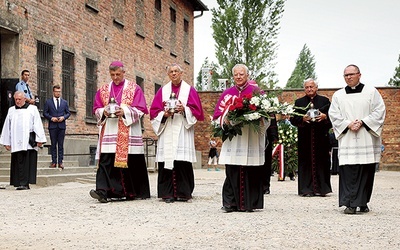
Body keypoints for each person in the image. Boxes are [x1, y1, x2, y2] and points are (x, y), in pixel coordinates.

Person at [89, 61, 150, 203]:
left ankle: (128, 192)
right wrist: (103, 111)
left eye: (117, 74)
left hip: (127, 133)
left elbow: (141, 109)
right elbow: (96, 108)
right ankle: (102, 192)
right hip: (109, 131)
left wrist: (125, 111)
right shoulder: (103, 90)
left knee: (127, 164)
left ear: (123, 72)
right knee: (106, 162)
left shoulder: (134, 88)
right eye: (112, 75)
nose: (115, 77)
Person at [329, 64, 386, 214]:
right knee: (348, 171)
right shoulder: (338, 95)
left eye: (351, 74)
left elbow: (379, 111)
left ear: (359, 75)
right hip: (348, 138)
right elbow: (334, 115)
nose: (349, 77)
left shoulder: (371, 92)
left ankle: (363, 201)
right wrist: (348, 124)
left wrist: (363, 122)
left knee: (366, 170)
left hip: (366, 137)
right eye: (346, 75)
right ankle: (350, 203)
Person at [212, 64, 269, 212]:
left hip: (251, 136)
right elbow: (218, 114)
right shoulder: (228, 93)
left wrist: (258, 118)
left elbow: (267, 115)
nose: (238, 77)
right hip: (235, 139)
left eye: (241, 74)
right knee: (232, 169)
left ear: (247, 75)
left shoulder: (257, 92)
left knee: (251, 170)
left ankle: (251, 203)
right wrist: (225, 119)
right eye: (236, 74)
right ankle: (230, 203)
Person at [150, 63, 204, 203]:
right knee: (167, 160)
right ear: (168, 74)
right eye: (171, 72)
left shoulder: (189, 90)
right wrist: (165, 114)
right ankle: (167, 194)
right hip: (168, 127)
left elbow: (196, 111)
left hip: (182, 131)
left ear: (181, 73)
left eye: (176, 71)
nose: (173, 74)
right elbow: (154, 111)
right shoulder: (163, 90)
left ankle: (183, 193)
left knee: (181, 161)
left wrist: (184, 109)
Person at [290, 78, 332, 197]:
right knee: (305, 163)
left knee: (322, 162)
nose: (309, 89)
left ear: (316, 88)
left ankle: (321, 189)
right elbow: (293, 119)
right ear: (304, 89)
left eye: (311, 87)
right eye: (307, 87)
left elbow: (334, 118)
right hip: (305, 138)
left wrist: (325, 117)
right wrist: (302, 119)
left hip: (321, 138)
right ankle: (306, 189)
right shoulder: (299, 102)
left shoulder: (325, 101)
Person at [0, 91, 46, 190]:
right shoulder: (11, 110)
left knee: (27, 162)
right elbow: (7, 126)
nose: (17, 101)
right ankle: (18, 182)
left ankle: (25, 183)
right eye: (16, 99)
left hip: (28, 141)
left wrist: (40, 139)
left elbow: (37, 124)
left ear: (25, 99)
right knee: (18, 162)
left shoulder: (32, 109)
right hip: (16, 141)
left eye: (19, 99)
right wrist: (6, 142)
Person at [43, 84, 71, 170]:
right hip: (53, 126)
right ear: (53, 92)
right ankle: (54, 162)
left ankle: (60, 162)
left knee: (61, 145)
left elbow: (68, 113)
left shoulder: (64, 102)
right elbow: (45, 113)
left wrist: (63, 117)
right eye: (56, 92)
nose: (58, 93)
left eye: (59, 92)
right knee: (53, 144)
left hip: (61, 126)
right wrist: (51, 118)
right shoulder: (48, 102)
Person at [263, 114, 278, 194]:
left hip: (267, 136)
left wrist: (274, 135)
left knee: (267, 162)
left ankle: (265, 186)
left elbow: (272, 119)